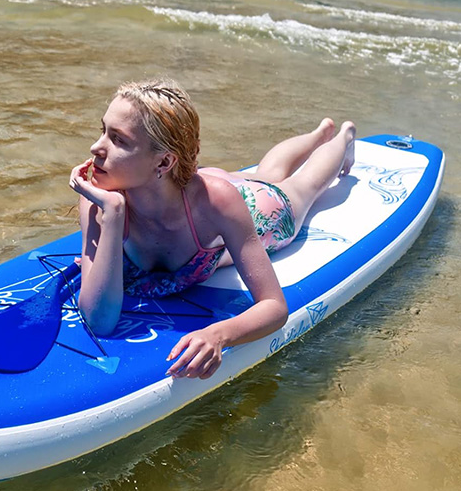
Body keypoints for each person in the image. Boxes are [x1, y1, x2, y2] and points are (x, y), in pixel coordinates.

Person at [69, 79, 356, 380]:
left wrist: (219, 335)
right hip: (177, 187)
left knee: (300, 186)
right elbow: (99, 319)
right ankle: (317, 134)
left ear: (164, 160)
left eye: (118, 139)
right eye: (103, 131)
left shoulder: (218, 204)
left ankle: (342, 137)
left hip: (253, 208)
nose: (95, 147)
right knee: (266, 172)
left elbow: (274, 307)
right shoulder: (99, 204)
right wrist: (113, 215)